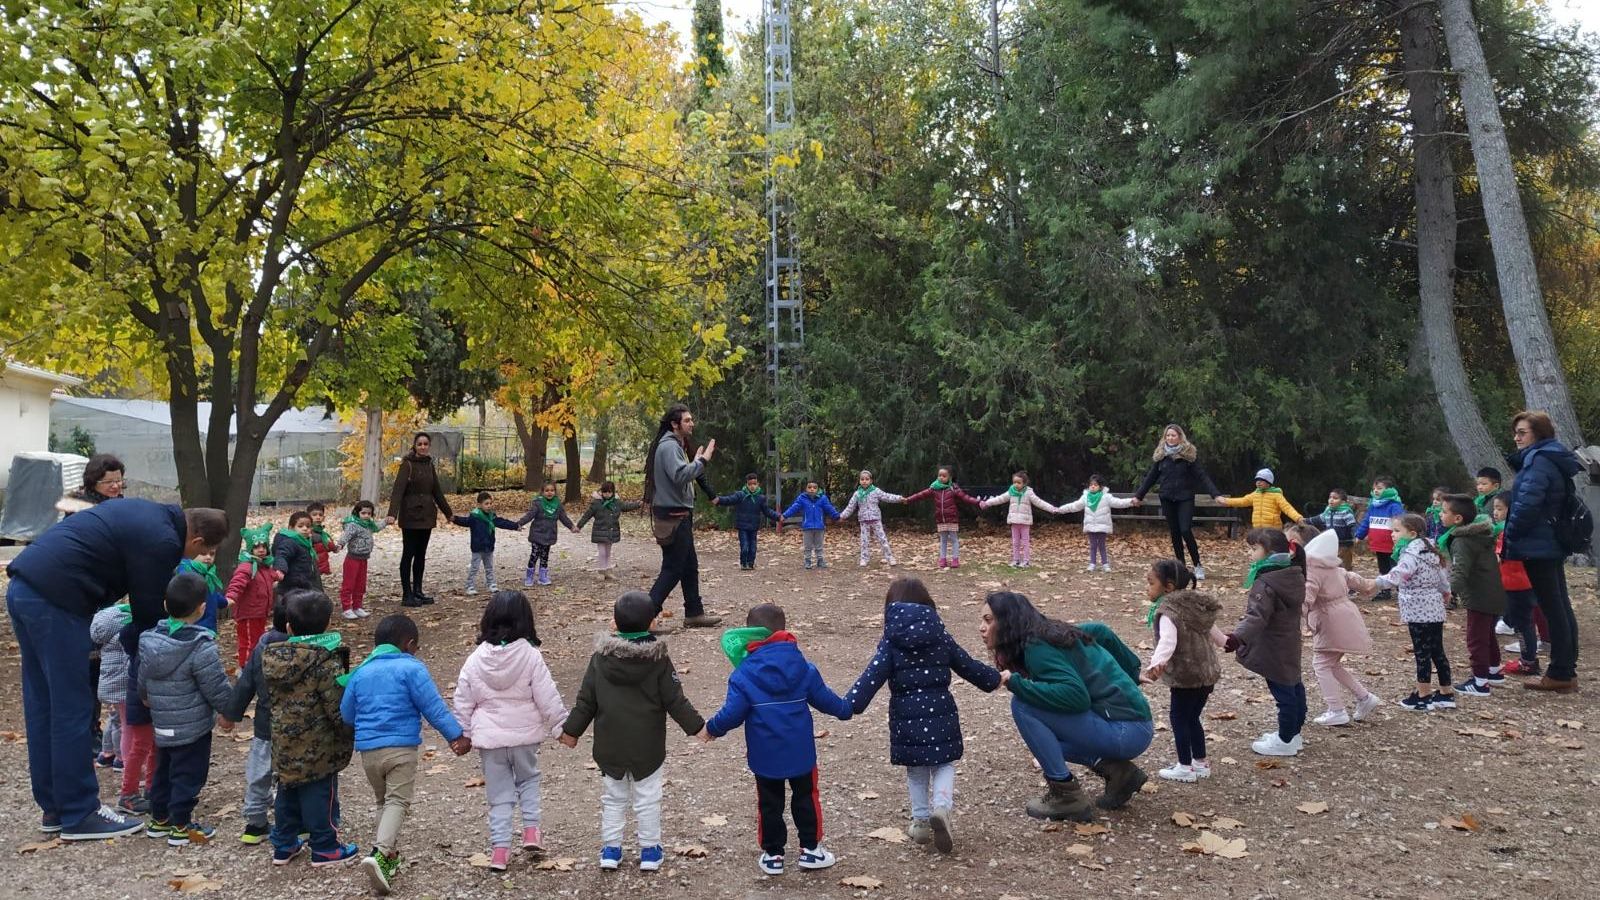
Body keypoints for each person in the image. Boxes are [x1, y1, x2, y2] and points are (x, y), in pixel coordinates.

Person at [5, 500, 226, 840]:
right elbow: (149, 615)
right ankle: (80, 813)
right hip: (57, 601)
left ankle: (55, 807)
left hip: (26, 588)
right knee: (72, 707)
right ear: (197, 541)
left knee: (45, 703)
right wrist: (153, 677)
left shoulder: (150, 514)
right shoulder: (164, 541)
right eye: (202, 552)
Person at [844, 579, 999, 851]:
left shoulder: (891, 641)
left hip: (907, 718)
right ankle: (942, 807)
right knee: (944, 764)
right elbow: (967, 665)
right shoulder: (939, 634)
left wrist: (849, 704)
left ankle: (920, 822)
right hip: (942, 715)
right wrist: (994, 678)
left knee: (916, 771)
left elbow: (873, 675)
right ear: (928, 604)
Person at [558, 591, 708, 871]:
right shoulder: (658, 659)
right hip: (647, 745)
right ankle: (649, 850)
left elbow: (586, 700)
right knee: (648, 798)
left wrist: (571, 731)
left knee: (613, 798)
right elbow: (674, 699)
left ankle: (611, 850)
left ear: (614, 624)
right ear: (652, 623)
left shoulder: (600, 659)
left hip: (610, 744)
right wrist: (698, 727)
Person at [981, 591, 1153, 822]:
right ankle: (1120, 773)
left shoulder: (1037, 647)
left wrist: (1016, 683)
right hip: (1135, 726)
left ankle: (1066, 796)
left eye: (988, 620)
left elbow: (1076, 696)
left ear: (1009, 621)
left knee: (1023, 706)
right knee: (1048, 744)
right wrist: (1132, 671)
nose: (981, 628)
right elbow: (1100, 630)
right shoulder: (1053, 632)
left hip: (1126, 731)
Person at [707, 604, 853, 875]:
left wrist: (711, 729)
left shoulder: (744, 673)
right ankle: (811, 850)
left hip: (765, 756)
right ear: (784, 631)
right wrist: (846, 709)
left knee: (769, 804)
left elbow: (732, 714)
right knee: (806, 798)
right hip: (801, 754)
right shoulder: (803, 667)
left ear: (751, 636)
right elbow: (825, 699)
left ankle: (773, 854)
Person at [341, 614, 470, 892]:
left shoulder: (361, 671)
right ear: (410, 644)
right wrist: (456, 736)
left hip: (368, 752)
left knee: (382, 801)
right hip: (400, 749)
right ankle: (380, 852)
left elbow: (346, 713)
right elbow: (432, 707)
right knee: (398, 801)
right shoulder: (412, 669)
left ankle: (387, 859)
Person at [454, 591, 568, 873]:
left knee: (499, 793)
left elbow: (463, 699)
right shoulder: (530, 655)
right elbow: (547, 695)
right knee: (528, 780)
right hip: (524, 736)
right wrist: (560, 727)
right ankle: (531, 831)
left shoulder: (475, 659)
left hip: (490, 740)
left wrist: (462, 733)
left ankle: (500, 850)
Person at [261, 590, 359, 868]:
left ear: (289, 627)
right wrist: (348, 731)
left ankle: (283, 843)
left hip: (284, 741)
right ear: (328, 625)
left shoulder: (272, 659)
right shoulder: (324, 662)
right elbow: (335, 707)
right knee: (320, 794)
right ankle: (325, 846)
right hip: (318, 746)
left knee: (287, 791)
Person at [139, 572, 235, 846]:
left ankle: (159, 819)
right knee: (188, 775)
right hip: (192, 728)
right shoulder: (200, 646)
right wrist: (229, 711)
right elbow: (215, 686)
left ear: (165, 606)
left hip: (161, 721)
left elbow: (142, 677)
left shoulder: (149, 640)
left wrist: (145, 697)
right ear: (202, 608)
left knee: (162, 769)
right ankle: (181, 824)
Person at [1503, 410, 1583, 693]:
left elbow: (1527, 504)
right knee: (1559, 605)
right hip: (1549, 542)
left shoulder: (1538, 462)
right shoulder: (1550, 458)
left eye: (1522, 432)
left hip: (1539, 544)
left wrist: (1510, 534)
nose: (1516, 437)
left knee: (1553, 608)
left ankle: (1561, 672)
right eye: (1516, 432)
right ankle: (1565, 669)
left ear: (1539, 433)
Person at [1139, 560, 1225, 783]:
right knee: (1192, 717)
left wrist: (1155, 666)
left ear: (1167, 587)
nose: (1147, 588)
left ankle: (1184, 766)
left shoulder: (1169, 611)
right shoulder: (1194, 605)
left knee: (1179, 718)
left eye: (1151, 583)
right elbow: (1212, 630)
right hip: (1206, 674)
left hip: (1186, 676)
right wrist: (1227, 642)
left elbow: (1168, 641)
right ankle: (1201, 762)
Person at [1225, 529, 1307, 757]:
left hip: (1273, 646)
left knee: (1283, 692)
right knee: (1293, 685)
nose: (1249, 553)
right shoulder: (1293, 572)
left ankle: (1285, 739)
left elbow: (1256, 616)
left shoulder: (1266, 581)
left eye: (1253, 549)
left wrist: (1236, 638)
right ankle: (1294, 733)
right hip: (1289, 641)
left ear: (1269, 552)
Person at [642, 404, 723, 628]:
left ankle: (694, 613)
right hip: (673, 516)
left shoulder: (673, 445)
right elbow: (680, 476)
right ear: (675, 424)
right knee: (672, 569)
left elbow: (681, 474)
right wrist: (702, 460)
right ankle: (643, 617)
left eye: (691, 419)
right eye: (687, 420)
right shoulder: (668, 447)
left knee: (689, 566)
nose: (692, 423)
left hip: (679, 515)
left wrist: (695, 463)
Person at [1364, 513, 1455, 711]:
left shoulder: (1410, 554)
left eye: (1397, 531)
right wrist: (1446, 592)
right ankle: (1446, 693)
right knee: (1437, 651)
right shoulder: (1430, 551)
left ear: (1412, 533)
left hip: (1417, 610)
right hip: (1434, 609)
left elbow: (1399, 574)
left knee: (1422, 652)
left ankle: (1423, 695)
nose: (1392, 535)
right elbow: (1442, 577)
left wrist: (1378, 583)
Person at [1292, 526, 1378, 726]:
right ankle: (1364, 697)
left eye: (1293, 543)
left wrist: (1292, 618)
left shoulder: (1311, 569)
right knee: (1331, 664)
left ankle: (1336, 709)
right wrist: (1372, 585)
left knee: (1321, 664)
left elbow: (1307, 597)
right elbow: (1355, 580)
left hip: (1331, 621)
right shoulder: (1331, 566)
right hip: (1345, 617)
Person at [223, 596, 290, 846]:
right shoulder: (309, 651)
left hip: (265, 724)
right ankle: (294, 822)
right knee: (291, 775)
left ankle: (255, 822)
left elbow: (246, 683)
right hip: (297, 728)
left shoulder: (263, 645)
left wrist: (231, 713)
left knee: (259, 773)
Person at [1438, 495, 1506, 697]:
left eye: (1444, 512)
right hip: (1493, 591)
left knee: (1476, 638)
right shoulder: (1479, 535)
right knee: (1487, 635)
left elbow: (1460, 571)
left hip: (1480, 595)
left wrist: (1447, 593)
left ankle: (1480, 682)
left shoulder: (1462, 541)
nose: (1440, 515)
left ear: (1457, 519)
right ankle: (1493, 671)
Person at [1133, 424, 1221, 579]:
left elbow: (1203, 476)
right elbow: (1150, 478)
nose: (1170, 438)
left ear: (1180, 437)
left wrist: (1216, 495)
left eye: (1173, 435)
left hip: (1185, 498)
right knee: (1174, 532)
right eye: (1168, 435)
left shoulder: (1189, 456)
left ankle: (1197, 564)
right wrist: (1139, 496)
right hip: (1167, 498)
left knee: (1185, 530)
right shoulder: (1161, 457)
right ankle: (1181, 567)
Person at [388, 432, 452, 608]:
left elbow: (437, 491)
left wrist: (448, 513)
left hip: (426, 515)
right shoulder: (407, 465)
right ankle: (406, 594)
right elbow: (397, 491)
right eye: (419, 444)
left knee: (421, 555)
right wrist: (392, 513)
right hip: (410, 516)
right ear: (414, 446)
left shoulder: (430, 464)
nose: (423, 447)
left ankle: (418, 590)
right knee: (408, 554)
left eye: (425, 444)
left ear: (429, 446)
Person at [1490, 493, 1548, 676]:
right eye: (1494, 509)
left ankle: (1527, 661)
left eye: (1500, 509)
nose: (1495, 513)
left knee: (1523, 624)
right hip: (1523, 582)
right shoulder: (1525, 529)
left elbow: (1499, 557)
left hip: (1516, 584)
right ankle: (1528, 659)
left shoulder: (1508, 532)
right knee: (1524, 622)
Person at [902, 467, 985, 570]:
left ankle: (955, 559)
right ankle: (942, 559)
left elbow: (965, 498)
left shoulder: (953, 489)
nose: (941, 477)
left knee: (954, 539)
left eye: (944, 476)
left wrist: (978, 502)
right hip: (941, 519)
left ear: (949, 477)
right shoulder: (934, 488)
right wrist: (908, 499)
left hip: (952, 518)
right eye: (939, 475)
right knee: (943, 540)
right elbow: (921, 495)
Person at [1053, 474, 1137, 573]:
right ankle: (1092, 563)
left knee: (1101, 545)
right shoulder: (1085, 497)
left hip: (1102, 525)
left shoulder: (1106, 497)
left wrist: (1131, 501)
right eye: (1091, 485)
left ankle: (1105, 564)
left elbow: (1118, 502)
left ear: (1100, 487)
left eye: (1095, 485)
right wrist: (1060, 509)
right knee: (1093, 545)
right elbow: (1074, 506)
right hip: (1090, 525)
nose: (1093, 486)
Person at [227, 523, 281, 667]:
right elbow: (237, 583)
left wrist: (278, 576)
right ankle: (245, 668)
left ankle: (255, 666)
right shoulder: (247, 567)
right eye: (257, 547)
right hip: (249, 613)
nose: (261, 550)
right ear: (251, 548)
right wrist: (231, 596)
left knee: (257, 640)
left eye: (264, 546)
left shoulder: (264, 566)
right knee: (249, 641)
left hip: (260, 612)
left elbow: (271, 576)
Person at [979, 470, 1059, 568]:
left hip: (1025, 522)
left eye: (1019, 482)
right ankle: (1016, 560)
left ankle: (1026, 561)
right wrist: (987, 503)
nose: (1016, 485)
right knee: (1015, 542)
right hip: (1014, 521)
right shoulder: (1011, 492)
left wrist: (1051, 508)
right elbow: (1000, 498)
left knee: (1025, 542)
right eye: (1014, 482)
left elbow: (1039, 502)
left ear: (1024, 483)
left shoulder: (1029, 493)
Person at [89, 601, 130, 786]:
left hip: (108, 685)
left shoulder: (104, 631)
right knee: (123, 723)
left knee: (113, 718)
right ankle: (121, 758)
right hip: (122, 686)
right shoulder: (123, 632)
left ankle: (107, 753)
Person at [452, 491, 522, 596]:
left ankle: (491, 584)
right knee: (474, 567)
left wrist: (515, 526)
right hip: (477, 547)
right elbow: (465, 521)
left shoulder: (492, 517)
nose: (489, 506)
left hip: (489, 546)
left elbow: (502, 522)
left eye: (490, 503)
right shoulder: (474, 517)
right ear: (479, 505)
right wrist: (455, 519)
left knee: (489, 567)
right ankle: (469, 585)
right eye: (486, 504)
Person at [713, 473, 784, 571]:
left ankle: (751, 563)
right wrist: (719, 500)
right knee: (745, 546)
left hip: (754, 526)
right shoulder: (740, 495)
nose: (752, 486)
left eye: (754, 484)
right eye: (750, 484)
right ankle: (743, 563)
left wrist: (778, 517)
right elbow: (729, 500)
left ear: (757, 484)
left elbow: (767, 511)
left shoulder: (760, 498)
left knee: (753, 547)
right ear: (746, 484)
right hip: (742, 526)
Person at [575, 481, 643, 579]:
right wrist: (579, 526)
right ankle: (601, 570)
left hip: (611, 531)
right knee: (602, 552)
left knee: (608, 552)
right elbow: (587, 515)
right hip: (600, 531)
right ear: (601, 492)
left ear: (613, 492)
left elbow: (626, 506)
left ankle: (608, 569)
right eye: (605, 492)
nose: (607, 494)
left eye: (609, 492)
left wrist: (638, 504)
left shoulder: (617, 502)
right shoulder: (596, 503)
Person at [839, 469, 906, 567]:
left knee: (882, 539)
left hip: (876, 519)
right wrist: (842, 516)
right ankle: (864, 558)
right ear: (859, 481)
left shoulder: (876, 491)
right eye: (862, 479)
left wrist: (899, 498)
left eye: (867, 479)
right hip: (864, 520)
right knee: (864, 541)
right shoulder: (857, 494)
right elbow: (850, 507)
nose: (864, 481)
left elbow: (887, 497)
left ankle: (890, 557)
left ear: (871, 481)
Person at [516, 482, 577, 587]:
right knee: (534, 555)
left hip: (549, 534)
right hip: (537, 534)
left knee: (545, 556)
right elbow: (529, 515)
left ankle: (542, 576)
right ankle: (529, 576)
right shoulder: (538, 503)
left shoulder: (557, 504)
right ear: (542, 492)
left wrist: (571, 526)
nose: (549, 493)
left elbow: (563, 517)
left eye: (552, 490)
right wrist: (519, 523)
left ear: (555, 492)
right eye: (547, 490)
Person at [1354, 476, 1405, 586]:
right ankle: (1384, 589)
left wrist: (1402, 539)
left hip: (1392, 545)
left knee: (1396, 566)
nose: (1375, 490)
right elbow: (1367, 521)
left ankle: (1400, 587)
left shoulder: (1394, 506)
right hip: (1378, 544)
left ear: (1389, 490)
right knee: (1383, 567)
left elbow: (1401, 523)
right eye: (1374, 488)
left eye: (1379, 488)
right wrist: (1359, 535)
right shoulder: (1373, 505)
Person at [338, 501, 385, 617]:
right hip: (352, 559)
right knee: (349, 584)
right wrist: (340, 544)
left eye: (369, 513)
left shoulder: (369, 525)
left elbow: (377, 527)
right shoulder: (353, 525)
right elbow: (346, 536)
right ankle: (346, 608)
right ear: (357, 513)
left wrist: (385, 521)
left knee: (360, 584)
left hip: (364, 559)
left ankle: (357, 606)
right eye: (363, 513)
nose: (366, 516)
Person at [1216, 468, 1304, 529]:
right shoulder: (1255, 494)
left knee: (1271, 550)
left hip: (1272, 529)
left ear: (1268, 482)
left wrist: (1298, 518)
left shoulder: (1276, 495)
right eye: (1257, 480)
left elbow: (1287, 508)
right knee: (1260, 549)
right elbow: (1242, 501)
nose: (1258, 482)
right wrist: (1226, 501)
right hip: (1258, 528)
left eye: (1261, 480)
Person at [782, 480, 842, 570]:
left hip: (819, 526)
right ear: (806, 489)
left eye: (814, 488)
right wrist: (785, 515)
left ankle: (820, 560)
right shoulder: (802, 498)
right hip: (807, 527)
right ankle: (808, 560)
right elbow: (794, 508)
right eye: (809, 487)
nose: (812, 489)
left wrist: (837, 516)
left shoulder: (822, 498)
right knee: (807, 546)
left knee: (819, 545)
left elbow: (829, 508)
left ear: (818, 489)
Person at [175, 550, 230, 634]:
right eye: (203, 553)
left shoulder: (209, 573)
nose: (208, 557)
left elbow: (211, 594)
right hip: (192, 628)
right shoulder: (186, 571)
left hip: (209, 628)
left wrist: (225, 602)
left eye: (212, 554)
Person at [1304, 488, 1359, 570]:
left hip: (1344, 544)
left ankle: (1347, 579)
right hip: (1332, 543)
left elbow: (1352, 525)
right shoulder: (1328, 511)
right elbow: (1318, 519)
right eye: (1330, 497)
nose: (1331, 500)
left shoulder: (1346, 512)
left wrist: (1357, 535)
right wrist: (1305, 520)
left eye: (1335, 498)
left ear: (1343, 502)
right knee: (1333, 564)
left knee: (1344, 565)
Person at [274, 512, 320, 594]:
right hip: (291, 584)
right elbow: (282, 554)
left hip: (303, 582)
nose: (305, 528)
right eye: (300, 526)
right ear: (291, 528)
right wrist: (280, 569)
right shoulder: (290, 542)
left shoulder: (305, 542)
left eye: (308, 526)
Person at [306, 501, 340, 587]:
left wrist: (335, 548)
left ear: (323, 517)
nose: (318, 517)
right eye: (314, 515)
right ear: (308, 516)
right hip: (311, 568)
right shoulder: (306, 532)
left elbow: (327, 546)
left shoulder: (322, 534)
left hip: (321, 567)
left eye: (320, 515)